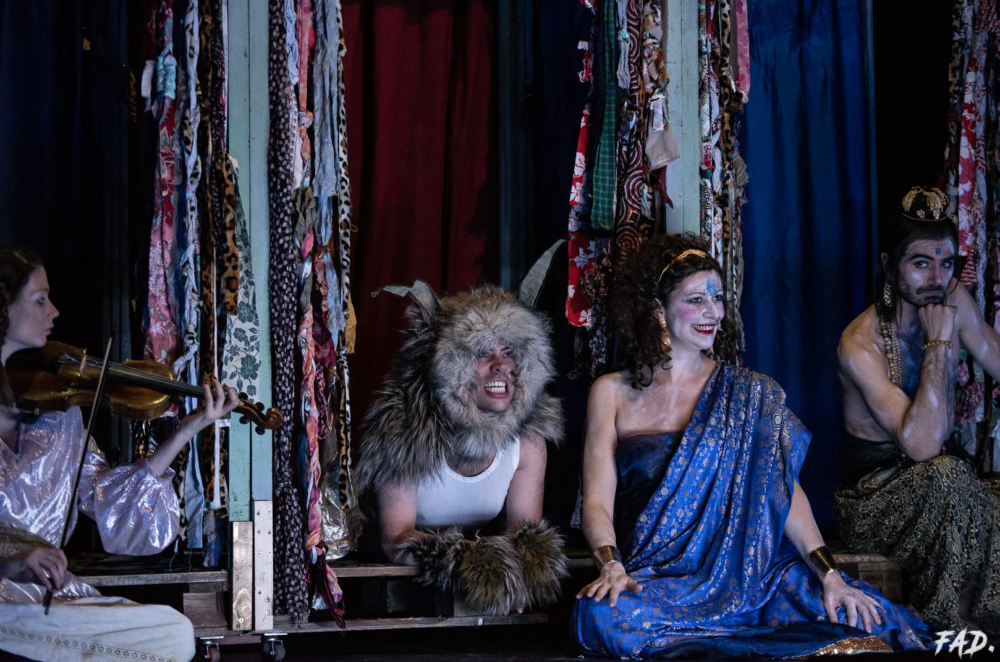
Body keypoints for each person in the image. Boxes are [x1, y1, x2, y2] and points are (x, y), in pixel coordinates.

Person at [573, 233, 930, 658]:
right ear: (658, 309)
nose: (713, 313)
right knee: (599, 614)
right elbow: (597, 501)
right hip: (663, 585)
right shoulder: (611, 393)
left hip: (752, 580)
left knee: (868, 616)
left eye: (717, 298)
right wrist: (611, 567)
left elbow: (785, 491)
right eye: (696, 300)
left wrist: (830, 575)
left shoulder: (749, 393)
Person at [0, 245, 241, 661]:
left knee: (174, 633)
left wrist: (186, 430)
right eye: (40, 299)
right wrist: (13, 562)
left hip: (46, 606)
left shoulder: (58, 418)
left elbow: (110, 500)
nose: (54, 311)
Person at [834, 186, 1000, 633]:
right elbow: (923, 446)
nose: (936, 278)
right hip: (874, 497)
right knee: (948, 477)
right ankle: (947, 630)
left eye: (946, 264)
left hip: (947, 486)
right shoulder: (861, 342)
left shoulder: (951, 296)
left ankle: (989, 629)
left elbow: (995, 355)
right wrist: (940, 340)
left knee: (969, 487)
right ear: (890, 265)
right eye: (921, 263)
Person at [356, 283, 567, 615]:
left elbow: (523, 535)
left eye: (509, 352)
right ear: (449, 365)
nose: (502, 365)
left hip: (474, 594)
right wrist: (485, 565)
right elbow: (396, 540)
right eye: (483, 352)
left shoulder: (528, 440)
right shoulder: (403, 428)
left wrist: (518, 572)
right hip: (397, 596)